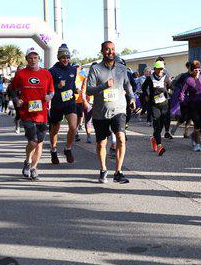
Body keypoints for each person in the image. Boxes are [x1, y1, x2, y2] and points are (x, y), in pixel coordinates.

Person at [86, 41, 135, 184]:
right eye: (107, 49)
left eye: (112, 49)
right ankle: (103, 169)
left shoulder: (122, 69)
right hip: (100, 112)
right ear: (102, 51)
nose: (110, 52)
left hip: (119, 109)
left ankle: (118, 172)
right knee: (102, 143)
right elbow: (89, 90)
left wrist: (131, 98)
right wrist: (104, 86)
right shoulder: (95, 69)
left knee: (121, 137)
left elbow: (128, 85)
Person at [10, 50, 54, 181]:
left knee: (39, 142)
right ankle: (28, 161)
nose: (33, 60)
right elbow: (12, 89)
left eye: (35, 57)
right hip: (26, 113)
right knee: (33, 141)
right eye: (30, 58)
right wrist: (16, 100)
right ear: (26, 59)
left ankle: (34, 168)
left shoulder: (46, 73)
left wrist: (49, 96)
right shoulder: (21, 74)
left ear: (39, 59)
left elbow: (52, 91)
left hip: (42, 113)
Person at [48, 44, 78, 164]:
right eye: (63, 58)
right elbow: (48, 89)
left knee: (73, 127)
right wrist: (57, 86)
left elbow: (72, 84)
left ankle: (68, 148)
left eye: (67, 57)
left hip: (70, 102)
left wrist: (75, 89)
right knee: (55, 129)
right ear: (59, 58)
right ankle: (53, 150)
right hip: (57, 103)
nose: (66, 60)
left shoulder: (73, 70)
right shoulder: (52, 71)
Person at [142, 59, 172, 156]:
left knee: (161, 125)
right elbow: (143, 88)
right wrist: (146, 95)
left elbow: (171, 87)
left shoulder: (166, 78)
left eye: (161, 69)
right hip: (153, 105)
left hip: (164, 104)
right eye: (158, 69)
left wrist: (168, 92)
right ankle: (159, 146)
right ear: (154, 69)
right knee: (157, 124)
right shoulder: (149, 78)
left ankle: (154, 138)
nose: (160, 71)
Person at [179, 60, 201, 152]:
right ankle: (197, 144)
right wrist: (182, 100)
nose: (197, 72)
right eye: (195, 70)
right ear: (192, 70)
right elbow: (182, 92)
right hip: (192, 105)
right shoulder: (189, 80)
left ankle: (193, 135)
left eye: (199, 70)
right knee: (197, 123)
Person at [170, 61, 193, 138]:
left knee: (190, 116)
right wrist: (180, 91)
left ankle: (186, 133)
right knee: (184, 116)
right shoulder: (183, 76)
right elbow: (174, 84)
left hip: (192, 99)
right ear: (188, 67)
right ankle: (176, 126)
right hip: (184, 98)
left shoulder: (196, 76)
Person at [73, 61, 86, 142]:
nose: (76, 69)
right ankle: (74, 132)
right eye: (75, 67)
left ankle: (75, 129)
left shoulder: (82, 77)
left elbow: (85, 88)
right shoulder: (70, 76)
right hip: (72, 100)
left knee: (79, 117)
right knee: (73, 117)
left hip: (80, 100)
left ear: (80, 68)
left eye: (78, 67)